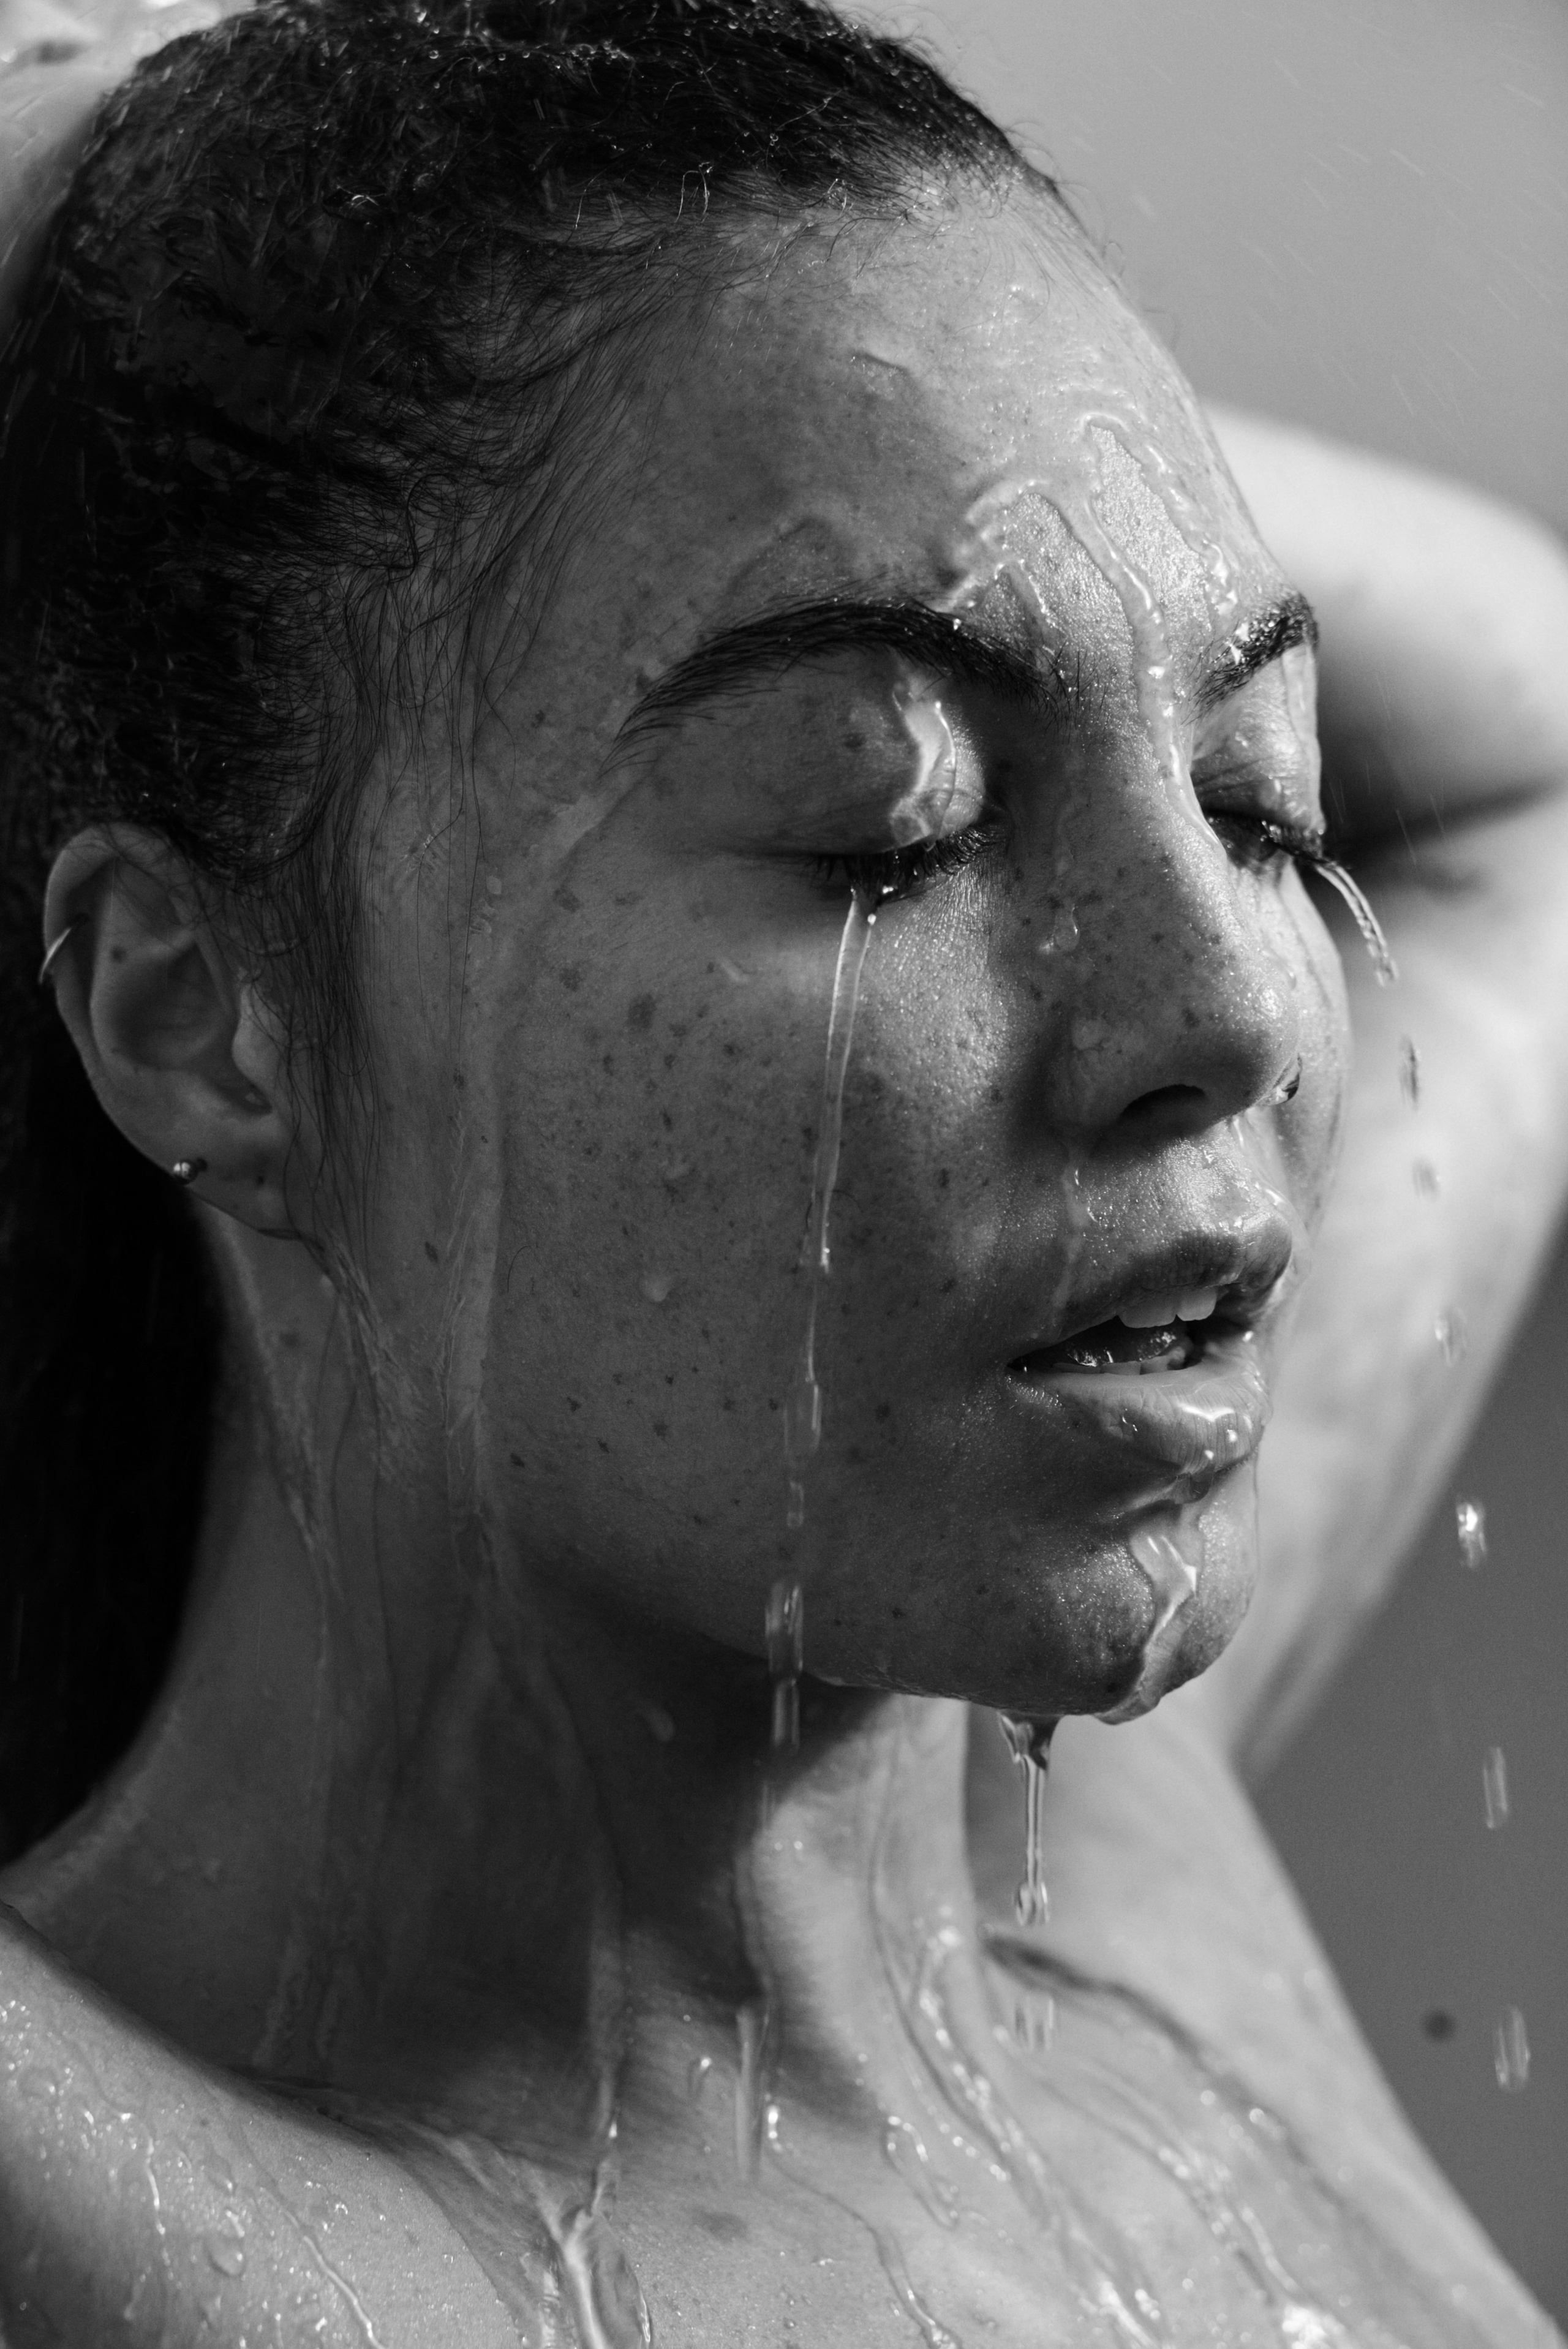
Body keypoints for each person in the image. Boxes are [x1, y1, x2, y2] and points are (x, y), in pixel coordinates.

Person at [1, 0, 1566, 2339]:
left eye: (1256, 799)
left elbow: (1532, 750)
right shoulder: (146, 2240)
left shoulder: (1090, 1848)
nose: (1231, 1006)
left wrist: (856, 388)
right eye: (886, 824)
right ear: (194, 1012)